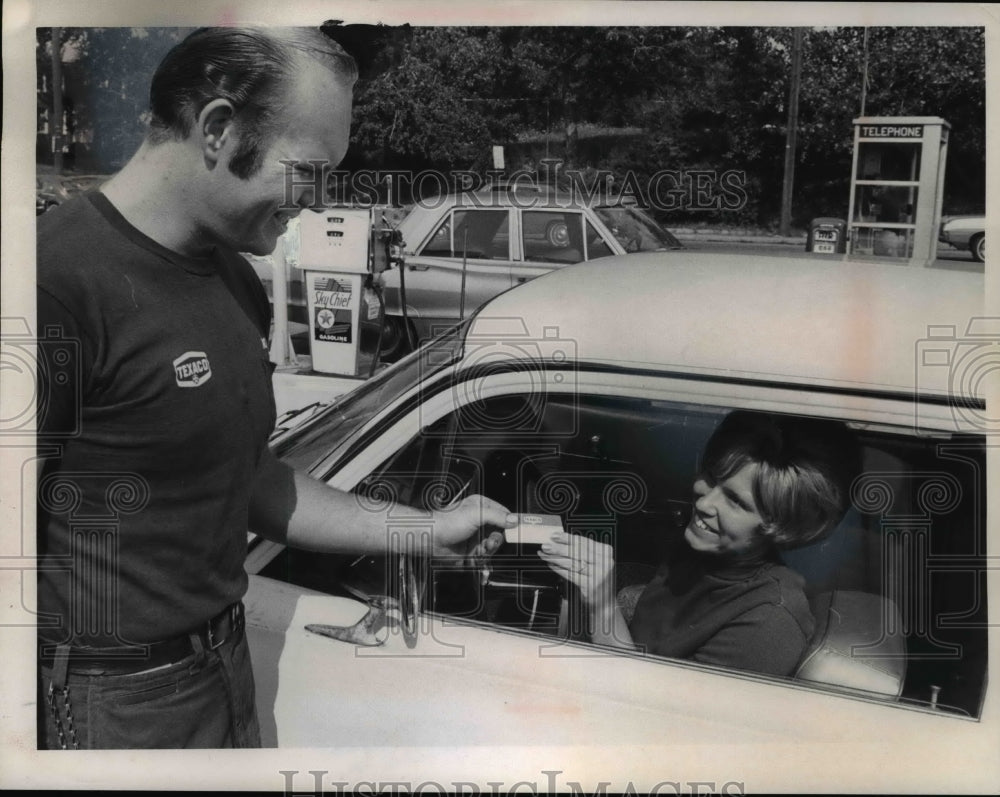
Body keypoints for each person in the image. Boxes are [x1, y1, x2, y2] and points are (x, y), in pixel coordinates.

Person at [35, 26, 513, 750]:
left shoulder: (235, 279)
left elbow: (250, 479)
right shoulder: (55, 283)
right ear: (220, 130)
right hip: (113, 704)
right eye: (309, 171)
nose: (320, 205)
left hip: (223, 670)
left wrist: (416, 531)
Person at [538, 410, 857, 677]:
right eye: (711, 476)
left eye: (734, 501)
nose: (704, 502)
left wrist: (604, 606)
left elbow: (647, 720)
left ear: (780, 526)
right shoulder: (708, 551)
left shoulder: (770, 623)